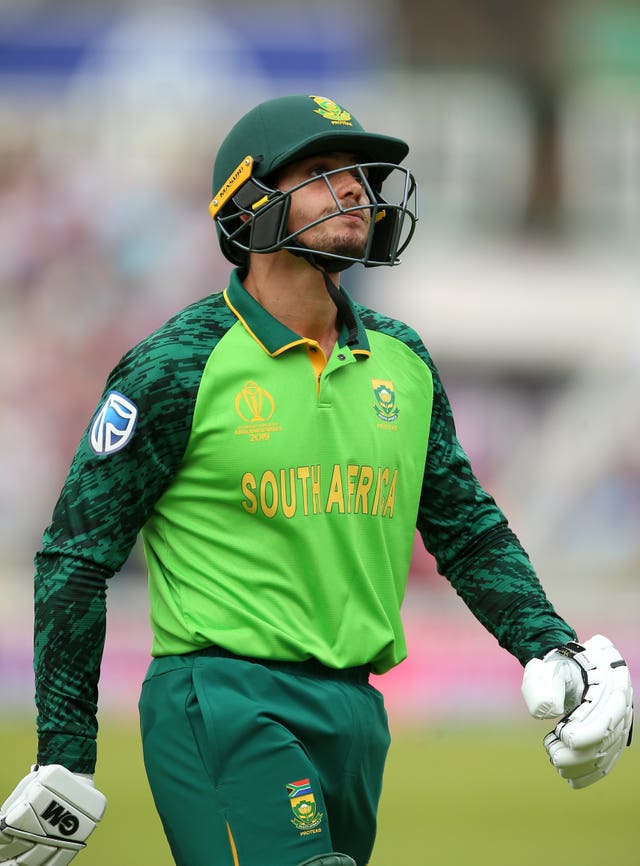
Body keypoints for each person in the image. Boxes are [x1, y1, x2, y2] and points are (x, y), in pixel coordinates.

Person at [0, 94, 633, 866]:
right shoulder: (175, 365)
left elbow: (466, 530)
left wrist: (552, 646)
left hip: (356, 716)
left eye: (360, 176)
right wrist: (66, 748)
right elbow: (77, 553)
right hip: (223, 700)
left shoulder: (401, 359)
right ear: (249, 203)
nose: (356, 192)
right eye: (322, 173)